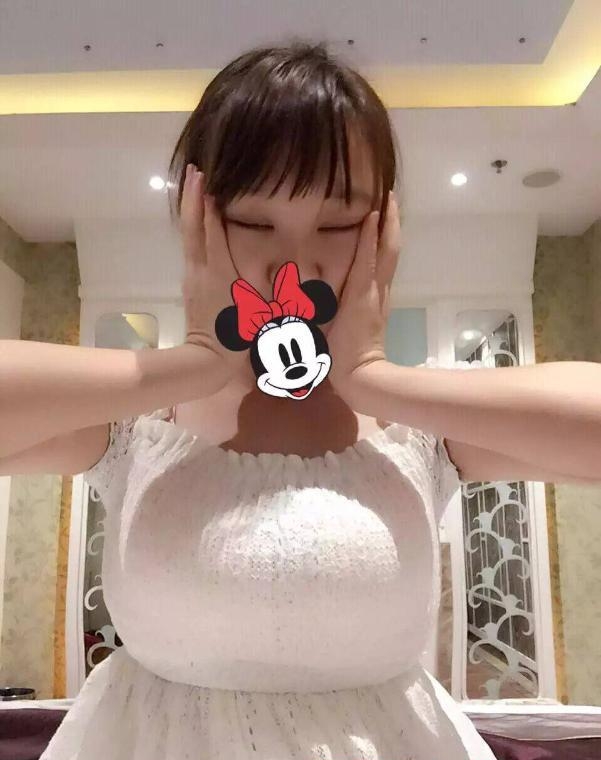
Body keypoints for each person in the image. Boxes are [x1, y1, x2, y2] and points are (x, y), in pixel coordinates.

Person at [3, 40, 567, 760]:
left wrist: (372, 376)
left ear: (385, 227)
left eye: (338, 223)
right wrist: (193, 361)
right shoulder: (134, 428)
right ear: (195, 216)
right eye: (254, 221)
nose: (294, 263)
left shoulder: (419, 430)